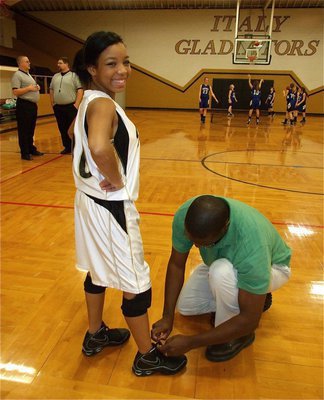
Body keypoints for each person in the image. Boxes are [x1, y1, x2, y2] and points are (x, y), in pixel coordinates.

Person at [72, 31, 187, 377]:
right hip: (111, 207)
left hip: (88, 202)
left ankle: (95, 335)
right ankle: (147, 355)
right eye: (111, 63)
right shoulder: (104, 104)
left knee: (97, 270)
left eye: (126, 61)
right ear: (92, 68)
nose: (122, 69)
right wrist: (118, 179)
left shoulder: (89, 100)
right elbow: (98, 146)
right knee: (136, 282)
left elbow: (75, 137)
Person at [152, 195, 291, 362]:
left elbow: (250, 320)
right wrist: (168, 316)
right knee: (186, 307)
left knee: (221, 273)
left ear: (225, 229)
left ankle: (241, 334)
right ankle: (250, 300)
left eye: (204, 244)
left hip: (271, 268)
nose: (196, 246)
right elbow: (176, 264)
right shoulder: (185, 215)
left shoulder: (252, 246)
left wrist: (192, 342)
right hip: (223, 261)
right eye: (192, 240)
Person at [11, 55, 44, 160]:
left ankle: (31, 149)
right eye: (27, 61)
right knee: (24, 130)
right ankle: (24, 153)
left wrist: (36, 87)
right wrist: (29, 88)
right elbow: (15, 91)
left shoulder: (28, 75)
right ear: (21, 63)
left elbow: (30, 88)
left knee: (31, 129)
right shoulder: (17, 75)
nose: (29, 63)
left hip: (32, 106)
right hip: (24, 105)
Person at [50, 57, 83, 154]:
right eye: (58, 63)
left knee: (73, 128)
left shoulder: (74, 76)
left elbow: (80, 90)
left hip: (71, 106)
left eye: (60, 63)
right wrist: (53, 103)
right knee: (62, 128)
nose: (58, 65)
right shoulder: (55, 76)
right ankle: (67, 147)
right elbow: (51, 89)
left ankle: (76, 147)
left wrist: (76, 104)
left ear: (66, 64)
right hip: (58, 107)